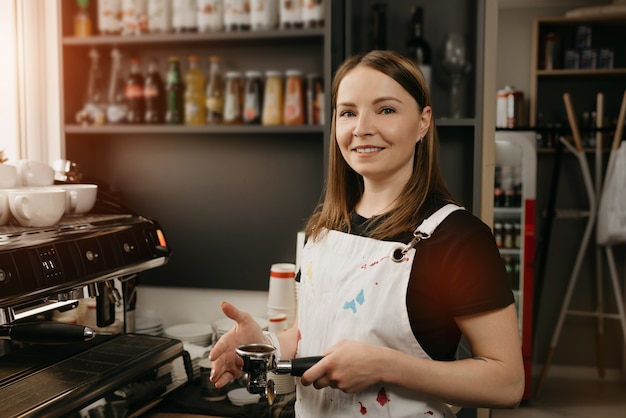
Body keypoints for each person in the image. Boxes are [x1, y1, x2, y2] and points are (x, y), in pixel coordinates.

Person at [210, 49, 525, 417]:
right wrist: (265, 347)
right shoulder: (324, 229)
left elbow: (507, 383)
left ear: (423, 122)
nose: (361, 128)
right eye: (348, 112)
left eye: (386, 109)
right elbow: (309, 333)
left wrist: (383, 366)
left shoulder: (459, 239)